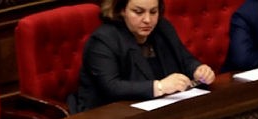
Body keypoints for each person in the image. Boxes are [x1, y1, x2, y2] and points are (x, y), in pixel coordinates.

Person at [73, 0, 216, 112]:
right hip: (108, 117)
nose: (147, 19)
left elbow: (185, 59)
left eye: (153, 12)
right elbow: (112, 87)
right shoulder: (103, 40)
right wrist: (160, 87)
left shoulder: (162, 28)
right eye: (138, 12)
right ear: (122, 10)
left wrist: (198, 69)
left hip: (160, 110)